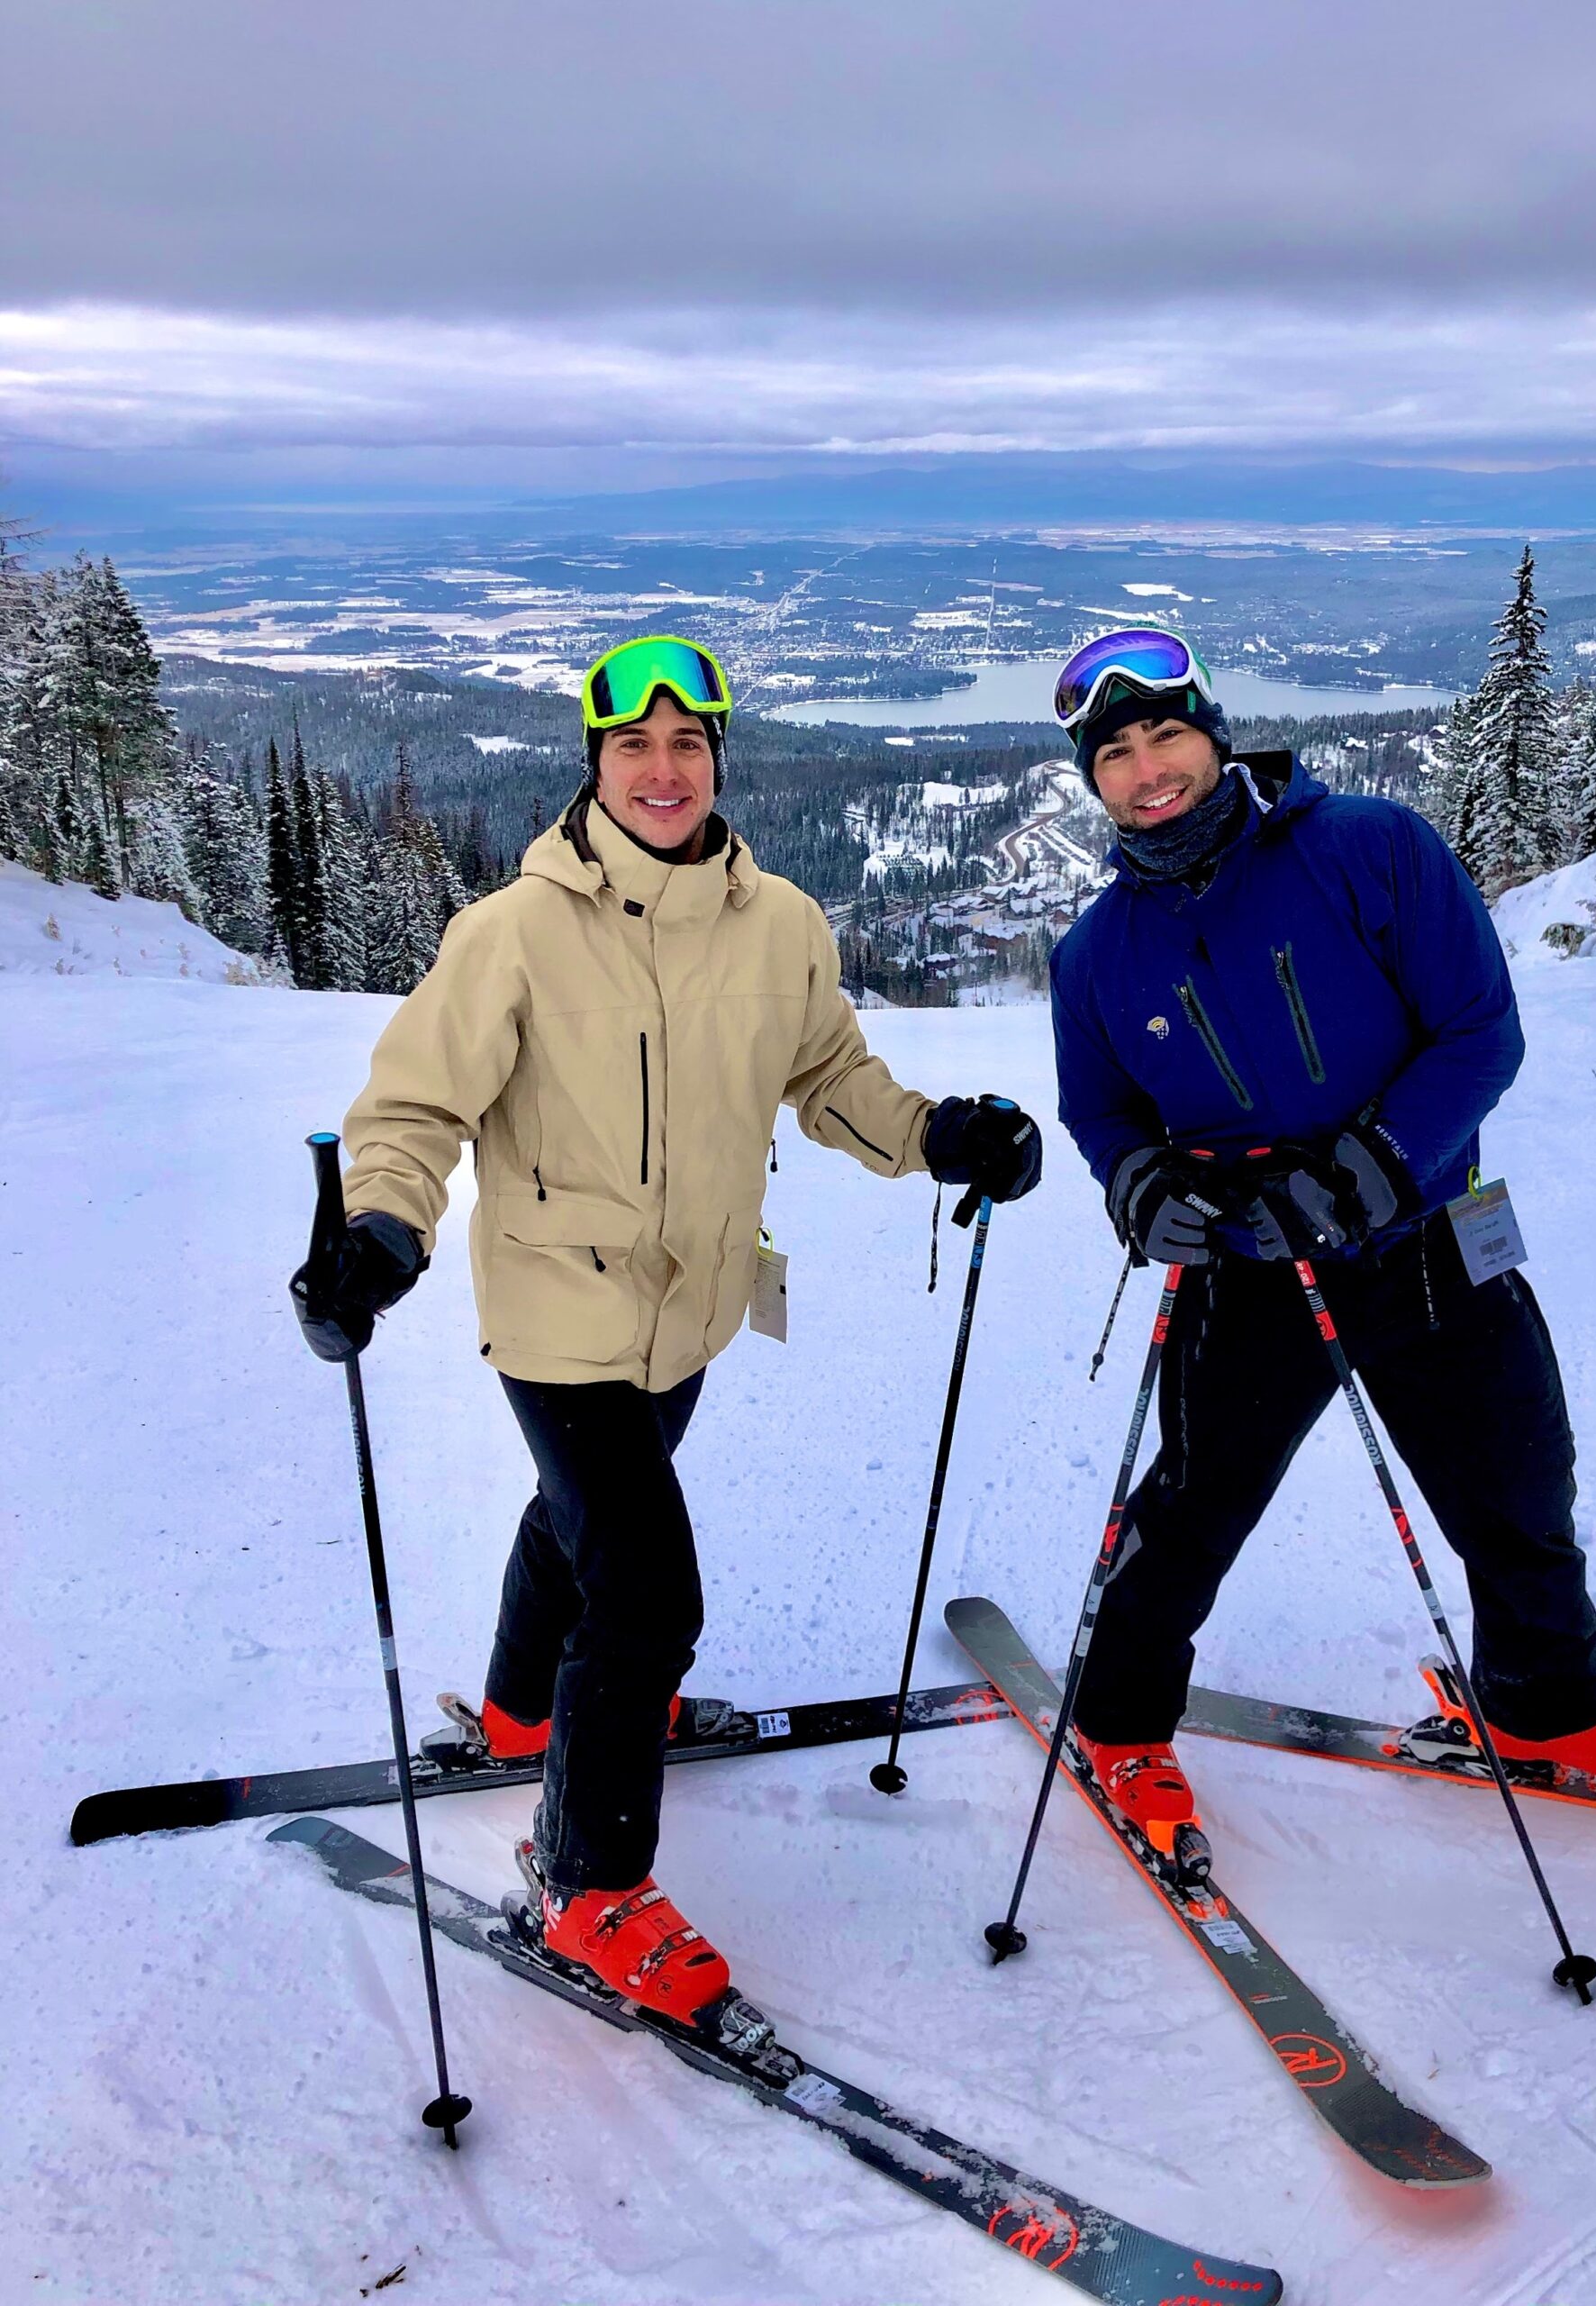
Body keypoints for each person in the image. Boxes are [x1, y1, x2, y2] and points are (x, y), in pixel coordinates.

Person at [291, 633, 1041, 2026]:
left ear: (716, 760)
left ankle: (527, 1715)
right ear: (594, 764)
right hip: (557, 1315)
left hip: (690, 1311)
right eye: (632, 745)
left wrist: (938, 1135)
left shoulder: (782, 924)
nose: (661, 768)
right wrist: (381, 1228)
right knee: (645, 1588)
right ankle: (586, 1882)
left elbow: (829, 1077)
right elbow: (412, 1111)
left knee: (577, 1520)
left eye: (686, 744)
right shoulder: (512, 932)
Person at [1045, 626, 1596, 1861]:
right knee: (1194, 1507)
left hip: (1432, 1234)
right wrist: (1142, 1189)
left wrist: (1370, 1167)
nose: (1149, 771)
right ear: (1095, 778)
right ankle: (1122, 1724)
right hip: (1250, 1266)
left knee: (1518, 1483)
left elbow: (1479, 1034)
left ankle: (1544, 1711)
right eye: (1118, 753)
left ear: (1216, 732)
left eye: (1168, 736)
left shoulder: (1367, 849)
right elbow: (1103, 1112)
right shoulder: (1095, 954)